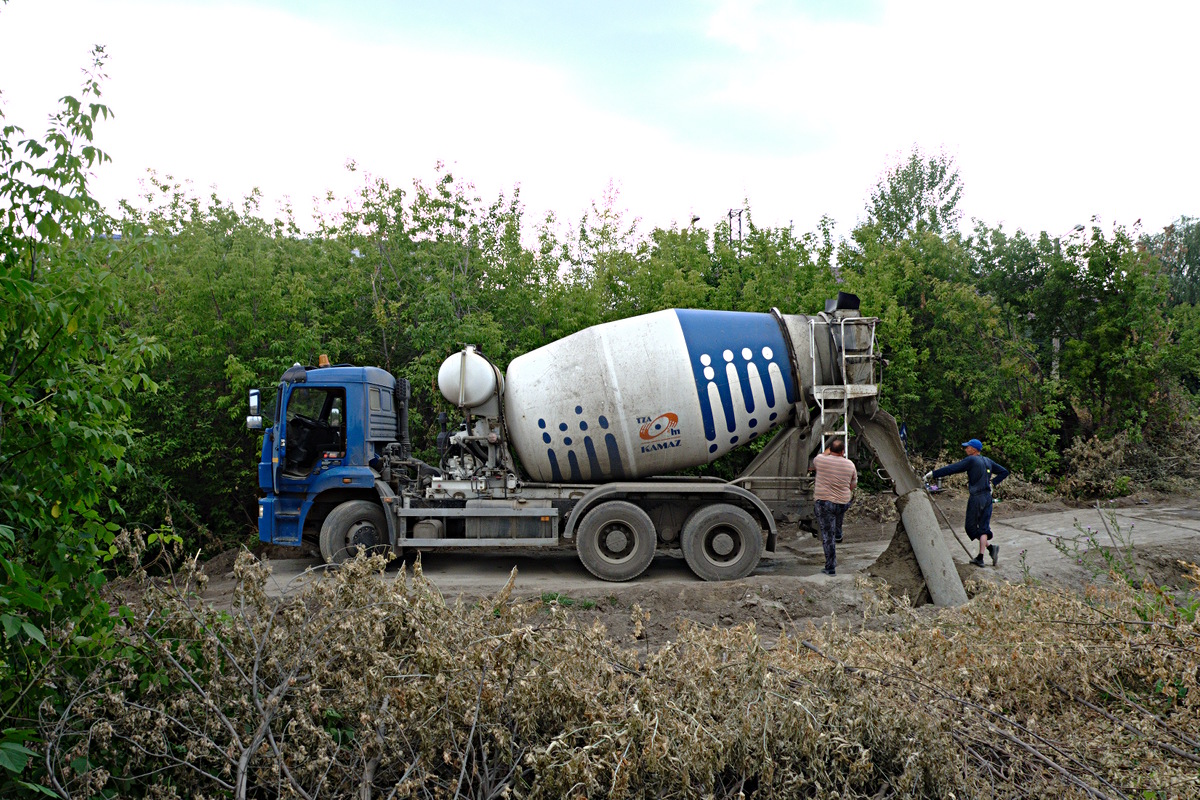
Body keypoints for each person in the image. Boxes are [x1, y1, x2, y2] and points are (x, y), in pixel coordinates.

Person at [924, 438, 1010, 567]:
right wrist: (993, 483)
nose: (965, 449)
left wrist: (933, 474)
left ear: (974, 449)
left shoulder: (971, 460)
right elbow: (1004, 472)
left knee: (971, 528)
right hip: (988, 498)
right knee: (983, 527)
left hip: (977, 498)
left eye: (967, 447)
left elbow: (952, 468)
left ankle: (982, 556)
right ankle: (989, 550)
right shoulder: (988, 461)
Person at [812, 437, 858, 576]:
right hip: (843, 502)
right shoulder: (850, 465)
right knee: (838, 518)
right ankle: (839, 532)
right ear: (843, 451)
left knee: (828, 536)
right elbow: (853, 485)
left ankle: (830, 567)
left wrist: (828, 450)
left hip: (824, 502)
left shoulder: (820, 460)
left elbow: (821, 456)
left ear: (830, 450)